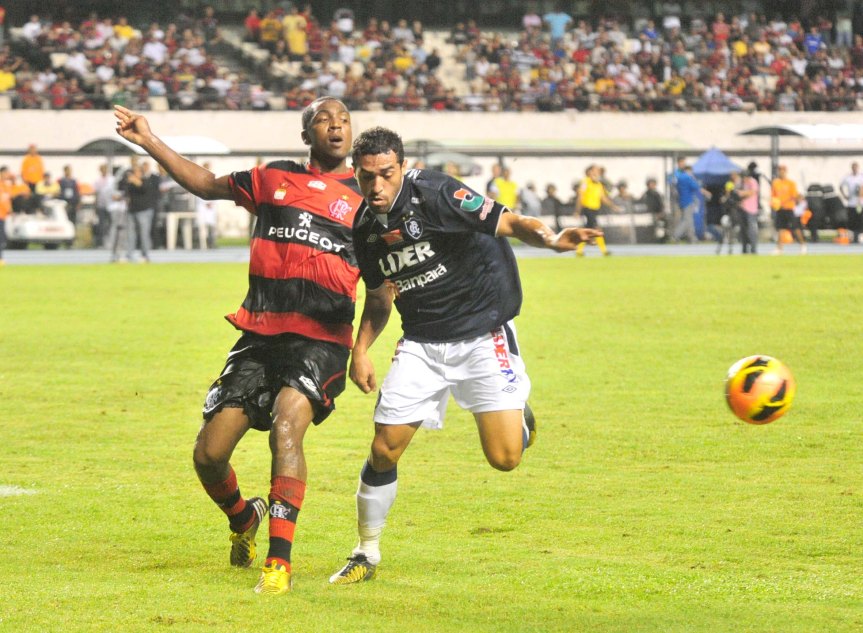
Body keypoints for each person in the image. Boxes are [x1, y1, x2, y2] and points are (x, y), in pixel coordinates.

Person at [328, 126, 602, 585]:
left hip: (481, 333)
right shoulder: (364, 227)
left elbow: (510, 222)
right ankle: (366, 552)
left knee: (505, 458)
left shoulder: (436, 192)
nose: (376, 186)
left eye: (386, 174)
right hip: (421, 344)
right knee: (383, 448)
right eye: (366, 177)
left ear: (401, 167)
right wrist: (359, 350)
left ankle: (519, 415)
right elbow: (379, 298)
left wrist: (552, 239)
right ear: (355, 174)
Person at [114, 97, 364, 596]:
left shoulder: (368, 198)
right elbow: (206, 185)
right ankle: (243, 515)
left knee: (286, 430)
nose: (335, 127)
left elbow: (381, 287)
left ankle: (279, 564)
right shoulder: (272, 179)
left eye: (343, 120)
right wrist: (149, 141)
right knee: (209, 454)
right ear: (305, 135)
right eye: (323, 120)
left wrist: (365, 348)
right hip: (260, 335)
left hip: (322, 338)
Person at [573, 164, 617, 256]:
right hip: (588, 208)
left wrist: (612, 206)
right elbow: (580, 196)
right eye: (595, 170)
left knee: (587, 230)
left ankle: (579, 251)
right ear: (589, 172)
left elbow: (603, 198)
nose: (597, 173)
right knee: (596, 228)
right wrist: (577, 211)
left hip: (595, 209)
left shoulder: (599, 184)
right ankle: (604, 251)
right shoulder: (585, 182)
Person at [124, 161, 160, 262]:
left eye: (136, 172)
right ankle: (129, 254)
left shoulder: (147, 180)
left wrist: (135, 180)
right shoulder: (130, 183)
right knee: (130, 234)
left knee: (144, 234)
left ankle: (145, 255)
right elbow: (125, 191)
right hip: (132, 210)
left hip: (144, 210)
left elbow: (144, 188)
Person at [770, 165, 806, 255]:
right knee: (781, 229)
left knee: (795, 228)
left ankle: (803, 245)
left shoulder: (791, 183)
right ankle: (779, 248)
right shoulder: (775, 183)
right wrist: (774, 204)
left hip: (789, 208)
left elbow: (794, 196)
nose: (781, 172)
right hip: (780, 209)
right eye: (779, 170)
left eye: (782, 170)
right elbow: (773, 196)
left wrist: (784, 201)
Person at [670, 158, 702, 244]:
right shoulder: (687, 177)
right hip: (688, 201)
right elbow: (695, 187)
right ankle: (675, 235)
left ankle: (692, 238)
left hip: (681, 201)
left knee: (689, 220)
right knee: (686, 220)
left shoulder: (679, 177)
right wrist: (693, 178)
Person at [839, 161, 863, 244]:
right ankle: (852, 237)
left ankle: (859, 236)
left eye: (856, 167)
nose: (855, 169)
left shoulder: (861, 177)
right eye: (853, 167)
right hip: (851, 203)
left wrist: (860, 198)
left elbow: (861, 188)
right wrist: (845, 196)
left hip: (860, 203)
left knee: (860, 220)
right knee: (852, 220)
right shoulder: (848, 177)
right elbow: (840, 186)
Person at [737, 168, 760, 254]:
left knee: (751, 230)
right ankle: (744, 249)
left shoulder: (752, 182)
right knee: (743, 230)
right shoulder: (742, 183)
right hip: (742, 208)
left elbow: (753, 192)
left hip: (751, 209)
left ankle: (753, 249)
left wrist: (742, 193)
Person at [639, 178, 666, 243]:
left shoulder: (657, 194)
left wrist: (660, 213)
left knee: (659, 228)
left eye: (653, 184)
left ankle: (660, 240)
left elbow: (661, 205)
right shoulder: (645, 194)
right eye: (650, 184)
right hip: (648, 214)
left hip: (656, 214)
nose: (651, 186)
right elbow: (641, 203)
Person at [0, 165, 11, 266]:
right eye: (6, 173)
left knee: (2, 238)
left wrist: (9, 209)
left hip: (3, 216)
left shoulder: (6, 186)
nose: (7, 175)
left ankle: (1, 258)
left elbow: (7, 200)